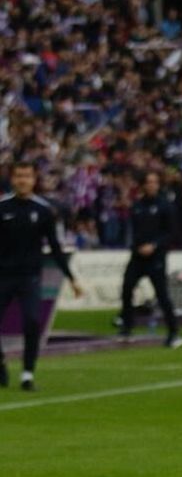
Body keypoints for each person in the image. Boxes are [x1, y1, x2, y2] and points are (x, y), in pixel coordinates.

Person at [0, 162, 84, 391]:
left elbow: (55, 248)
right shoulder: (2, 207)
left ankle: (27, 374)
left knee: (32, 322)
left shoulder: (44, 210)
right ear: (12, 179)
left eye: (27, 176)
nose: (22, 180)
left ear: (34, 179)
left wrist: (72, 278)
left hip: (29, 277)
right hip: (3, 276)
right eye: (18, 176)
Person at [118, 170, 182, 349]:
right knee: (126, 287)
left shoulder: (165, 206)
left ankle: (173, 331)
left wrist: (155, 245)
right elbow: (133, 231)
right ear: (143, 185)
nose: (151, 185)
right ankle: (126, 326)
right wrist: (136, 247)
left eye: (155, 182)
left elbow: (172, 232)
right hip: (138, 256)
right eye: (148, 182)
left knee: (162, 295)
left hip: (156, 257)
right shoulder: (137, 206)